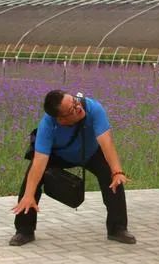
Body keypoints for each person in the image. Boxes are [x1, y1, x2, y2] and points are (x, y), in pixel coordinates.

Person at [9, 89, 136, 246]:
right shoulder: (47, 125)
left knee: (113, 178)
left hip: (90, 152)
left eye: (75, 101)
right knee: (30, 183)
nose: (78, 107)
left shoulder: (93, 108)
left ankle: (117, 229)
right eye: (72, 109)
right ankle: (24, 230)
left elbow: (106, 143)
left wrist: (117, 172)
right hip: (60, 155)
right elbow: (39, 162)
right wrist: (29, 195)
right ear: (61, 119)